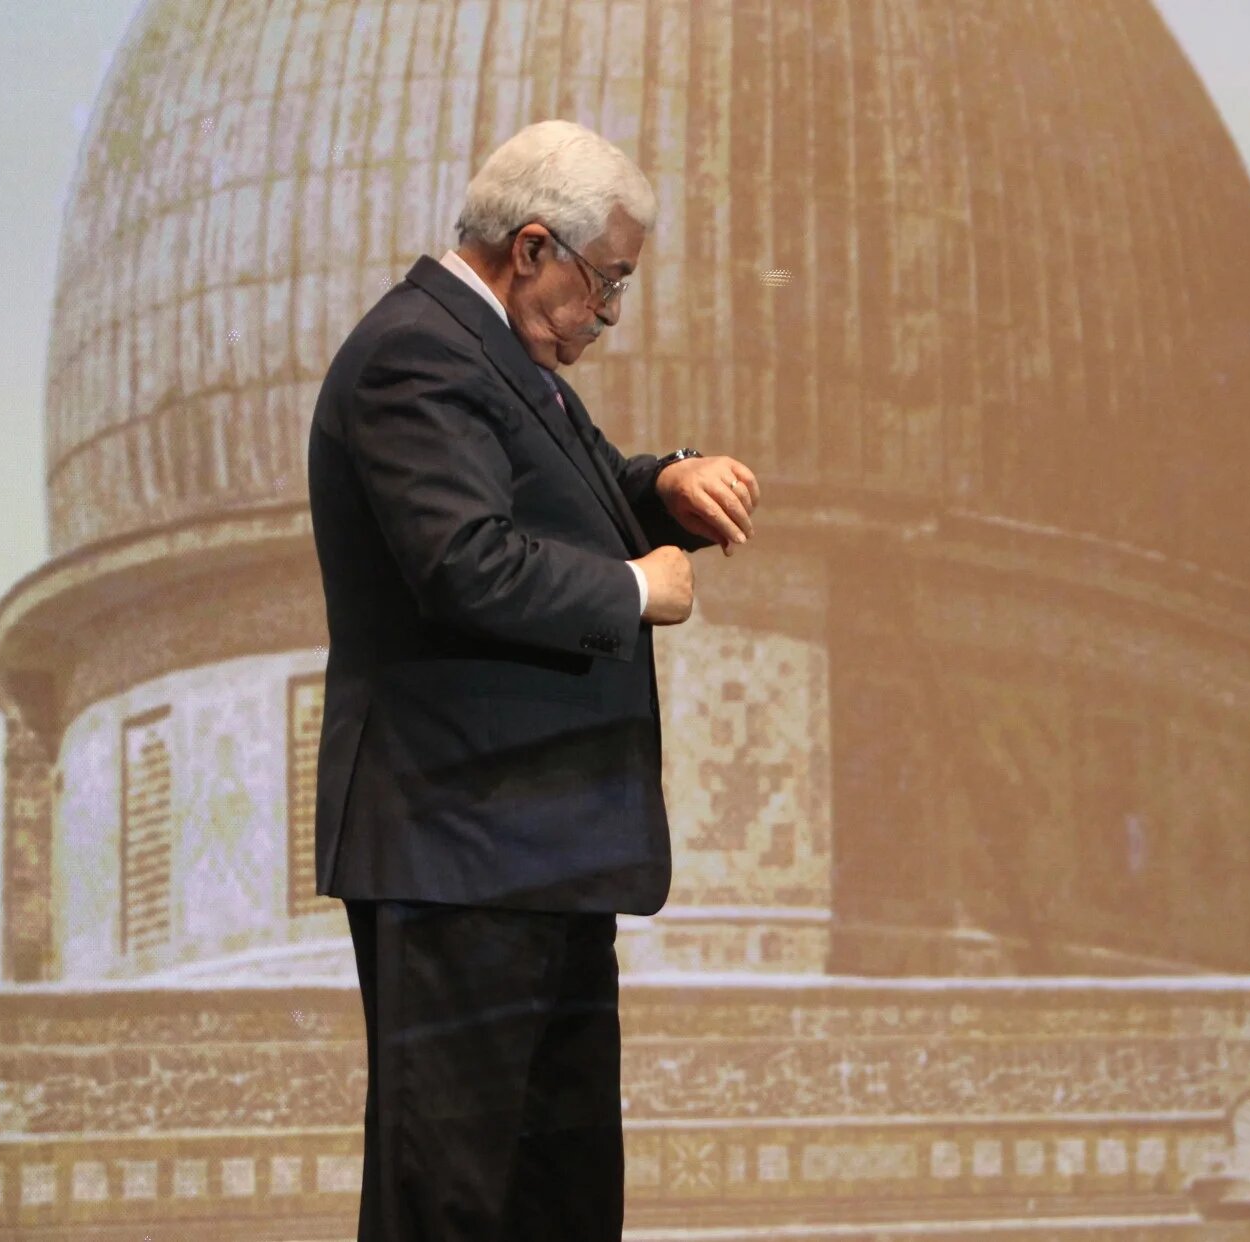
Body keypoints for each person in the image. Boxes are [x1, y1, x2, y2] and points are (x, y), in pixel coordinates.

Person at [307, 120, 762, 1241]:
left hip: (534, 850)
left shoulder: (499, 358)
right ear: (530, 250)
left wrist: (665, 483)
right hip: (460, 845)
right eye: (606, 284)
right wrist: (634, 590)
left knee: (554, 1201)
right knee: (454, 1200)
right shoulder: (419, 355)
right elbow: (464, 560)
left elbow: (578, 486)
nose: (608, 317)